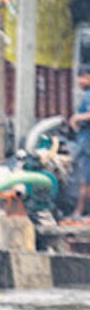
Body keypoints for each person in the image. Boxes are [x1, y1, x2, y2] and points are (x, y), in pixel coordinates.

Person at [69, 68, 90, 218]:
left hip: (87, 143)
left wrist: (77, 118)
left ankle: (79, 212)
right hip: (84, 141)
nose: (80, 81)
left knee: (85, 179)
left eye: (83, 77)